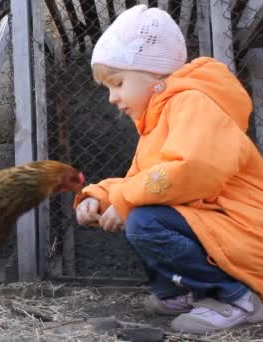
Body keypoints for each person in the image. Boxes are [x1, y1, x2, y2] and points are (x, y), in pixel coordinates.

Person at [73, 4, 263, 334]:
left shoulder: (192, 104)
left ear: (154, 76)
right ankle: (183, 293)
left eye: (117, 83)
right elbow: (142, 181)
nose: (112, 98)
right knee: (138, 211)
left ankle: (237, 299)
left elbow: (190, 170)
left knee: (144, 219)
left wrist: (127, 200)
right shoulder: (158, 119)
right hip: (220, 225)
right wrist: (101, 197)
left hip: (246, 230)